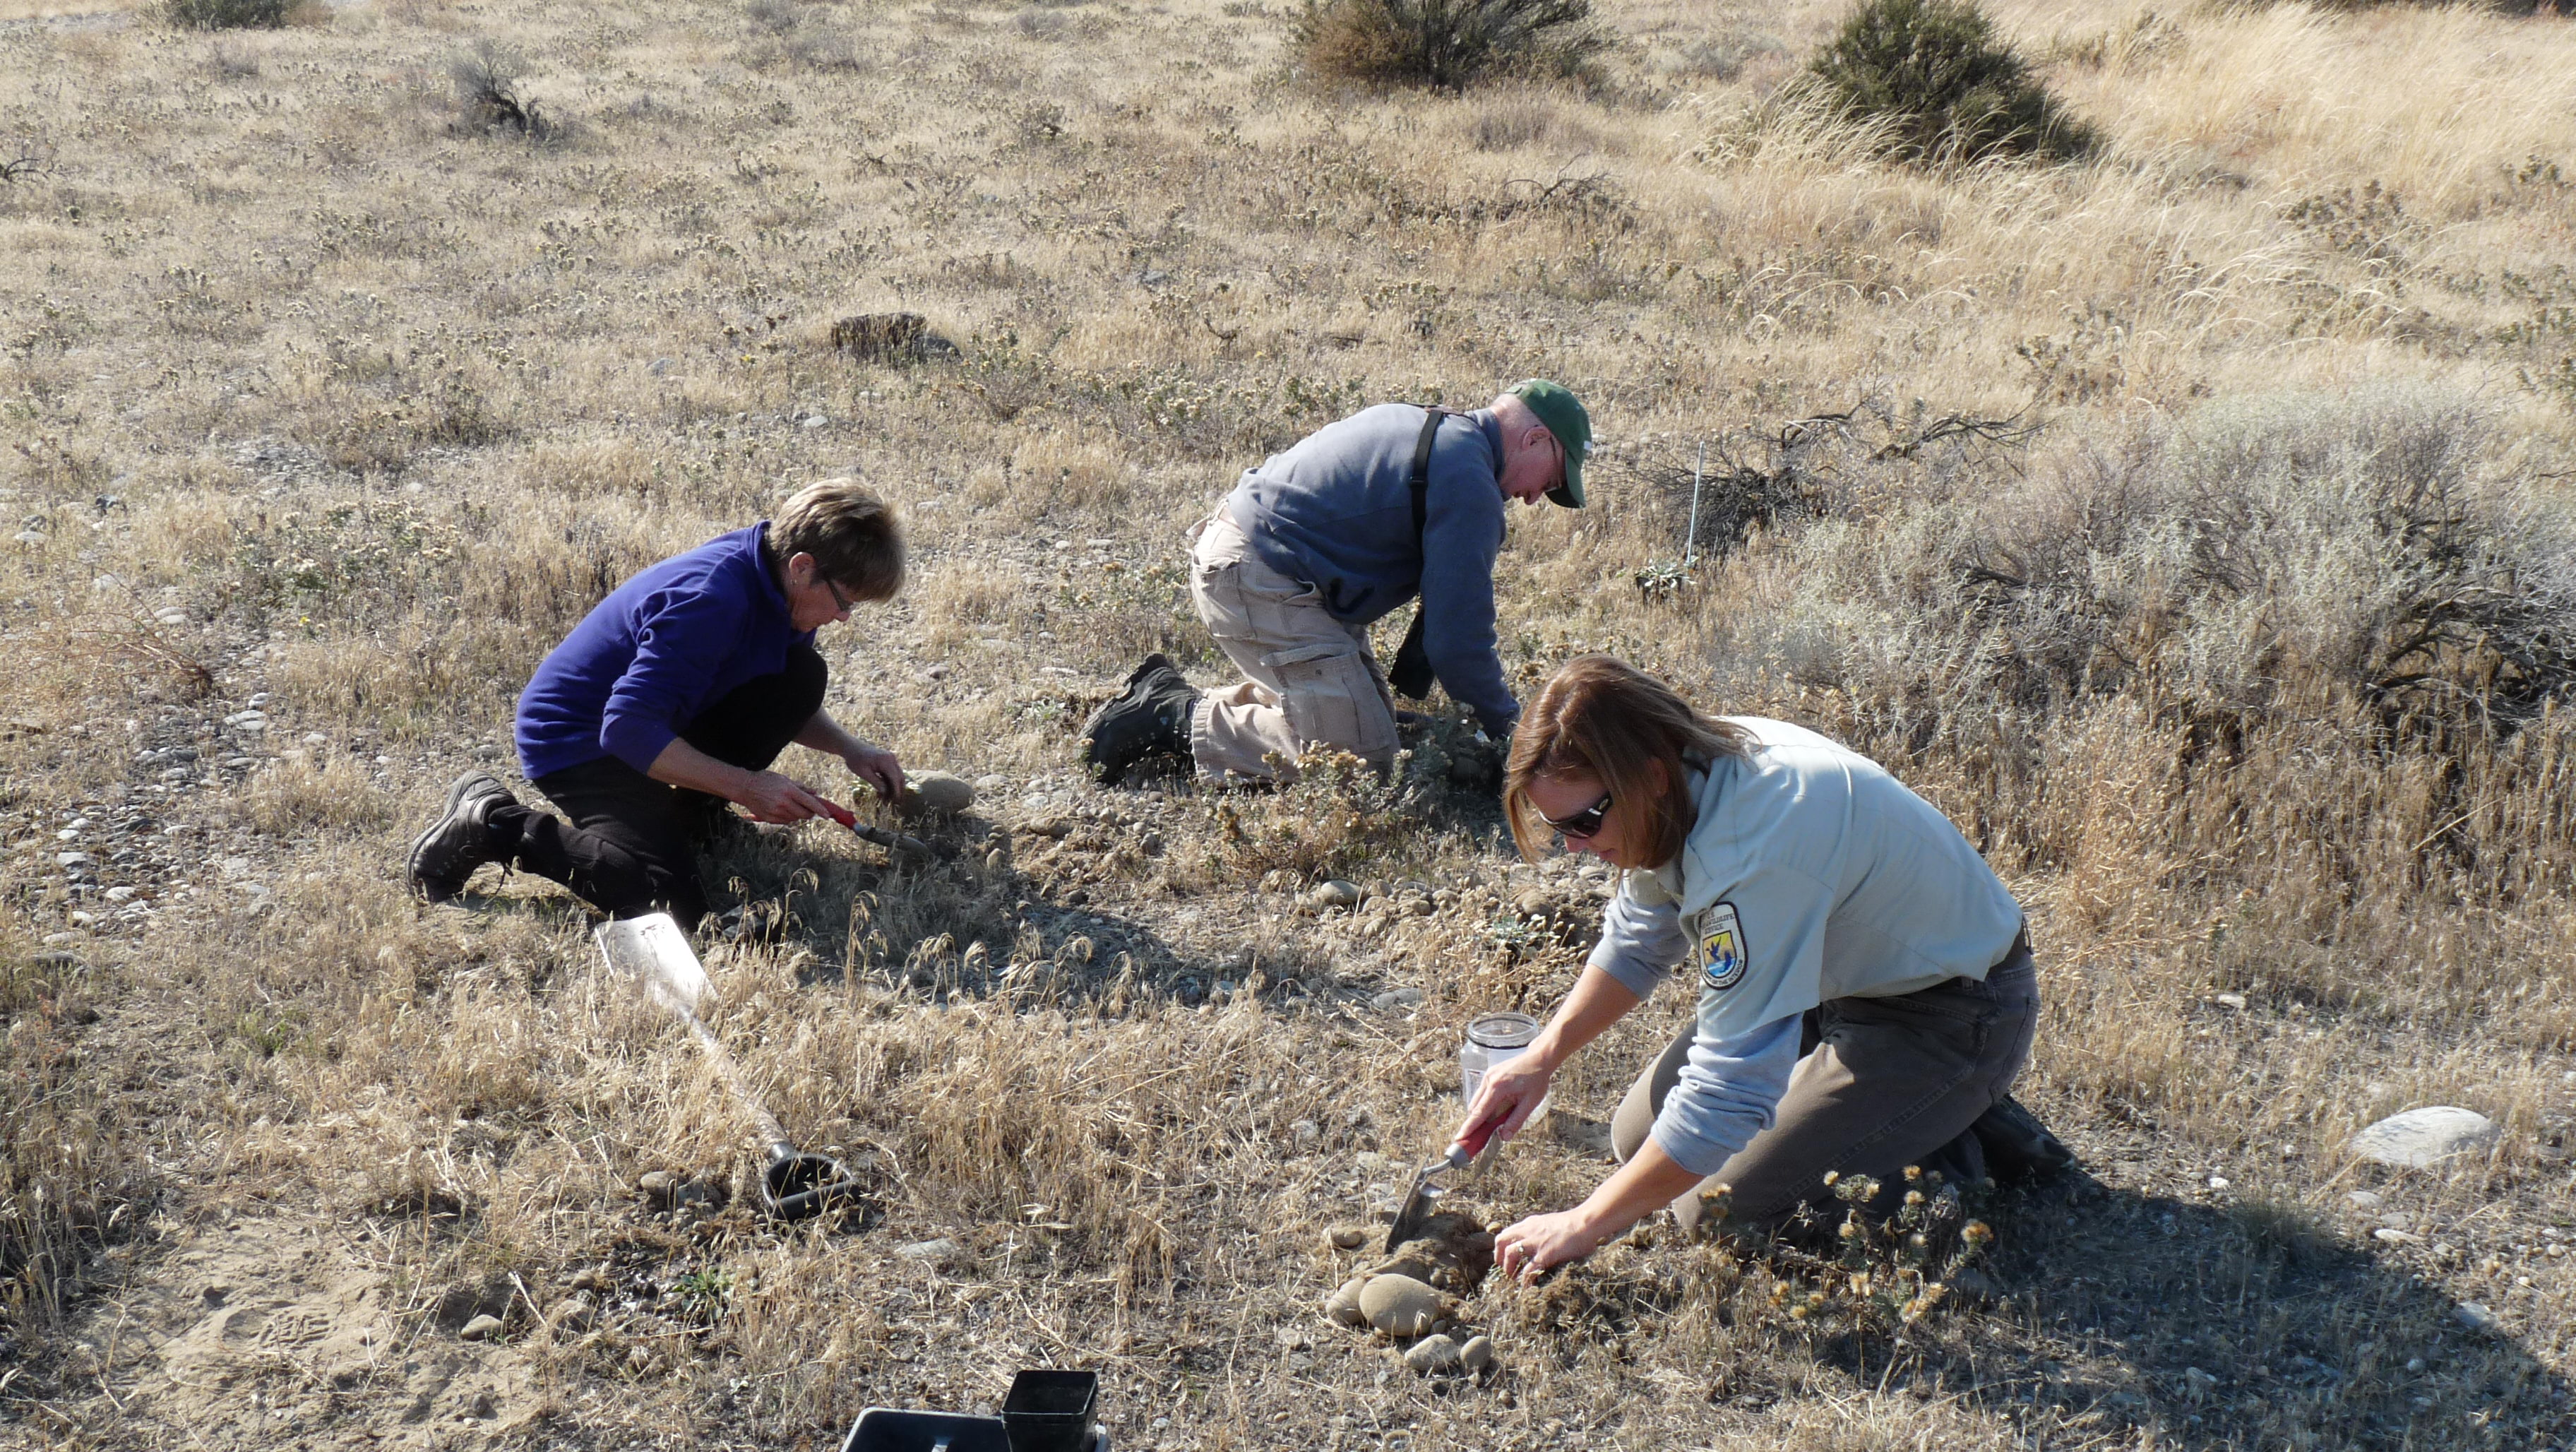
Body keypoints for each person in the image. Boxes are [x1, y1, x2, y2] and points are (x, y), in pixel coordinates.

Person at [1453, 655, 2058, 1283]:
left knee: (1715, 1211)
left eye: (1583, 822)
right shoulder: (1683, 773)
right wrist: (1542, 1056)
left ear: (1649, 776)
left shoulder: (1755, 854)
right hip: (1840, 986)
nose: (1575, 846)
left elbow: (1729, 1089)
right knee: (1637, 1139)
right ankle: (1900, 1109)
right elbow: (1637, 943)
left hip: (1956, 1013)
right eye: (1558, 827)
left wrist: (1583, 1222)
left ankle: (1954, 1140)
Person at [405, 478, 908, 930]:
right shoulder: (711, 602)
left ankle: (694, 816)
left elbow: (773, 687)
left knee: (800, 677)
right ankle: (492, 823)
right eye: (846, 601)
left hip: (651, 720)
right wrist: (746, 786)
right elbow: (626, 728)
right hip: (577, 740)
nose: (844, 618)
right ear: (803, 567)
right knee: (661, 902)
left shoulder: (780, 583)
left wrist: (850, 748)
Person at [1080, 380, 1592, 786]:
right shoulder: (1470, 481)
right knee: (1363, 761)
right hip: (1257, 578)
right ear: (1535, 439)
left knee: (1378, 728)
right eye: (1549, 481)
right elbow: (1457, 643)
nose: (1534, 498)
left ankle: (1240, 707)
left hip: (1259, 563)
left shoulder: (1435, 425)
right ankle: (1169, 714)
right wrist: (1512, 737)